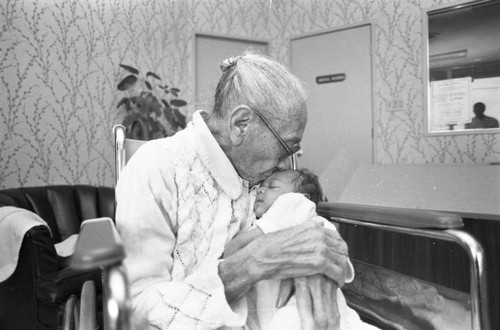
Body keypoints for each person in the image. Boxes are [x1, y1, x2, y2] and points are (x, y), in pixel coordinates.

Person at [115, 51, 351, 330]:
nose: (286, 163)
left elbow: (308, 226)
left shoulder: (264, 176)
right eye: (286, 146)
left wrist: (318, 262)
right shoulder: (157, 167)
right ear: (241, 124)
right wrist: (248, 264)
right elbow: (137, 311)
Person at [224, 169, 378, 330]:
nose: (261, 190)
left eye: (273, 186)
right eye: (261, 186)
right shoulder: (266, 222)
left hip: (298, 307)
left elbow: (235, 250)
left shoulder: (294, 205)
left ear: (302, 198)